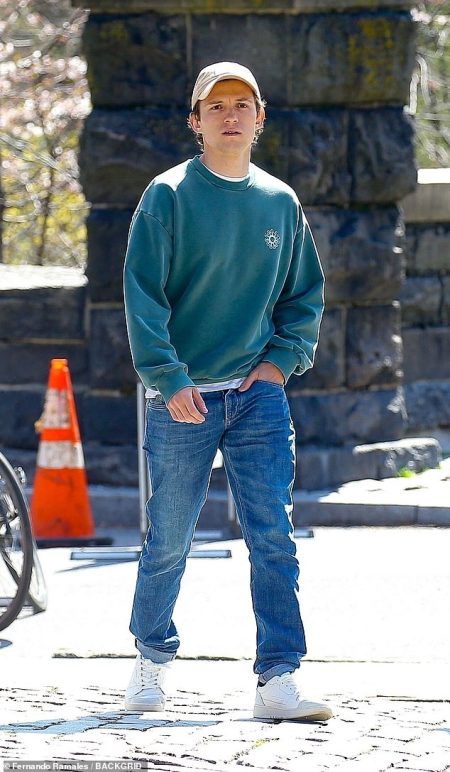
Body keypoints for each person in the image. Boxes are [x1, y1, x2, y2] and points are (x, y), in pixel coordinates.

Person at [123, 61, 332, 722]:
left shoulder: (278, 202)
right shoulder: (169, 195)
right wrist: (169, 377)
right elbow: (143, 297)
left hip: (256, 396)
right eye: (216, 107)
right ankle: (150, 665)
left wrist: (280, 364)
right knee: (170, 538)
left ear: (260, 117)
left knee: (273, 535)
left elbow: (304, 297)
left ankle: (279, 678)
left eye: (244, 104)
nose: (231, 115)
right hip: (182, 397)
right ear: (196, 120)